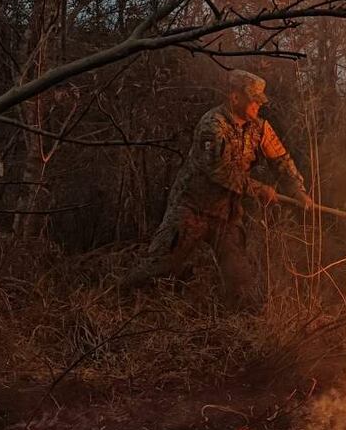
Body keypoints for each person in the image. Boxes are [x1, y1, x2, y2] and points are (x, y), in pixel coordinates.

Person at [122, 70, 312, 307]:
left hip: (226, 214)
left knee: (240, 279)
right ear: (235, 97)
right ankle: (119, 301)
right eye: (253, 100)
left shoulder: (260, 128)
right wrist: (260, 190)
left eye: (259, 101)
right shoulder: (212, 125)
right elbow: (220, 171)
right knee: (160, 265)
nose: (258, 105)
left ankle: (236, 322)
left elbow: (281, 160)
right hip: (192, 209)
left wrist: (297, 190)